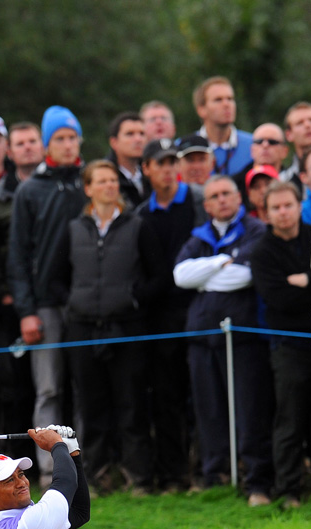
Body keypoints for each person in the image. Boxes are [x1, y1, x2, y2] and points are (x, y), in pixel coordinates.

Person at [59, 159, 167, 495]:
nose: (109, 186)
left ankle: (138, 477)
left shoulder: (137, 225)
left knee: (131, 403)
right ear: (88, 188)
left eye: (113, 180)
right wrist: (74, 303)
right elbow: (54, 278)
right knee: (90, 407)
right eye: (101, 181)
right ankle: (95, 477)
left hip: (126, 328)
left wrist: (134, 300)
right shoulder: (74, 228)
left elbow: (159, 277)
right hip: (83, 329)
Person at [173, 175, 274, 506]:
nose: (221, 200)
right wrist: (220, 261)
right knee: (209, 410)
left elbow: (243, 276)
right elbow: (181, 276)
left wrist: (204, 276)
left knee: (249, 409)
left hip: (243, 337)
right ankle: (215, 476)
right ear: (207, 205)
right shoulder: (198, 237)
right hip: (202, 336)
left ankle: (256, 479)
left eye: (226, 194)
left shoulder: (256, 230)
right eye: (214, 196)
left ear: (239, 198)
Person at [8, 106, 88, 488]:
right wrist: (27, 310)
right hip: (45, 305)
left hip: (87, 303)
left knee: (84, 385)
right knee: (50, 389)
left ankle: (82, 469)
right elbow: (18, 256)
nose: (68, 144)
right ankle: (46, 471)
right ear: (47, 144)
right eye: (60, 138)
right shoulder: (30, 190)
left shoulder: (91, 182)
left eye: (73, 137)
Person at [250, 181, 311, 507]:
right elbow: (277, 298)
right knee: (290, 420)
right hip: (288, 345)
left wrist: (307, 281)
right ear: (266, 213)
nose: (283, 212)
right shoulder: (262, 251)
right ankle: (289, 490)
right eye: (276, 208)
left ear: (299, 206)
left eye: (288, 205)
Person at [137, 139, 207, 493]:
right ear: (146, 168)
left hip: (197, 312)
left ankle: (206, 471)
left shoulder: (197, 202)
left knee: (202, 396)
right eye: (159, 163)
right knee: (166, 400)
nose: (167, 169)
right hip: (159, 321)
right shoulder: (140, 214)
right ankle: (173, 475)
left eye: (171, 162)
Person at [0, 122, 44, 459]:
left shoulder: (56, 188)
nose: (28, 148)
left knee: (49, 386)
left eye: (33, 141)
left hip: (49, 299)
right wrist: (5, 292)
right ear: (11, 152)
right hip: (9, 305)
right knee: (12, 387)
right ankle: (17, 459)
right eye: (21, 143)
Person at [191, 76, 252, 175]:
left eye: (230, 99)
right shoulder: (184, 148)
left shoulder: (254, 146)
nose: (226, 104)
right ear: (201, 110)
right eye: (218, 100)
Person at [107, 112, 149, 206]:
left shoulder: (151, 173)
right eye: (130, 134)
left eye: (142, 134)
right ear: (114, 142)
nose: (138, 139)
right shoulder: (103, 177)